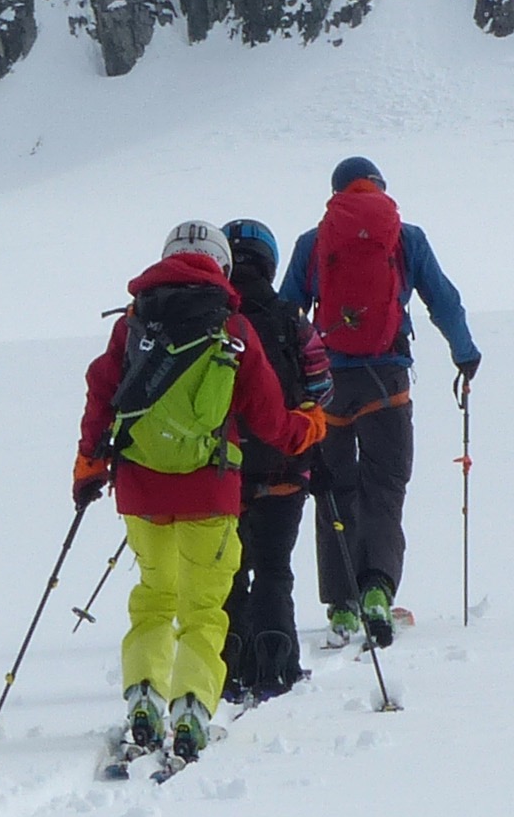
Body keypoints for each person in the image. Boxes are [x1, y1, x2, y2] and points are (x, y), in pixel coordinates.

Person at [74, 218, 328, 766]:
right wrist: (306, 428)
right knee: (205, 609)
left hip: (141, 492)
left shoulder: (134, 323)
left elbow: (102, 391)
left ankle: (144, 695)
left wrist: (88, 464)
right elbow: (267, 417)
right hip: (211, 493)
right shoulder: (233, 329)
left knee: (153, 599)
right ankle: (191, 708)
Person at [279, 155, 479, 641]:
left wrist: (287, 382)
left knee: (331, 490)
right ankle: (377, 591)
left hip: (328, 387)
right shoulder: (406, 238)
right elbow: (443, 299)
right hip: (388, 383)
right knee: (384, 491)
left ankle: (342, 605)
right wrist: (465, 353)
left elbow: (287, 315)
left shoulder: (313, 243)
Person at [218, 218, 324, 706]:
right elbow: (321, 382)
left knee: (230, 572)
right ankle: (277, 661)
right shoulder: (290, 317)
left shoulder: (215, 320)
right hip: (285, 466)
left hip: (224, 474)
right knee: (275, 567)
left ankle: (228, 663)